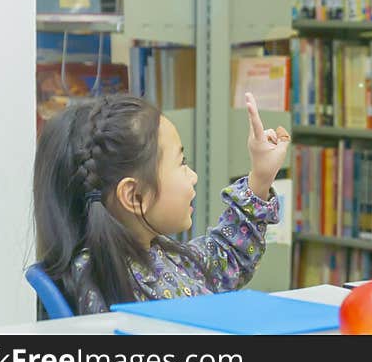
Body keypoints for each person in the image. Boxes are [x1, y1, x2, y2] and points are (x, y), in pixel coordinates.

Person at [33, 92, 291, 314]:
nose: (193, 177)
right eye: (181, 163)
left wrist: (261, 177)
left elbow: (222, 262)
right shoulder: (106, 282)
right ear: (134, 196)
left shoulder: (153, 256)